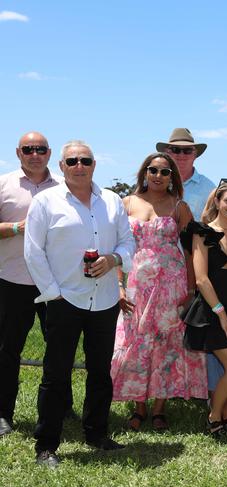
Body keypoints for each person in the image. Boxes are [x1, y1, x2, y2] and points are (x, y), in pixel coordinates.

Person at [24, 140, 135, 468]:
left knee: (101, 372)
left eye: (85, 160)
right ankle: (46, 445)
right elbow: (33, 251)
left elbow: (129, 241)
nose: (79, 166)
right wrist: (53, 292)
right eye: (72, 161)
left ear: (94, 164)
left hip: (104, 300)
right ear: (61, 166)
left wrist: (114, 258)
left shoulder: (112, 201)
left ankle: (97, 433)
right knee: (55, 374)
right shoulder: (46, 201)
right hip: (64, 299)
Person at [110, 152, 207, 431]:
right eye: (153, 170)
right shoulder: (127, 204)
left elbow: (191, 250)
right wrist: (118, 285)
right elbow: (118, 249)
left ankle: (160, 408)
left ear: (172, 177)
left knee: (166, 345)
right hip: (137, 285)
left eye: (165, 172)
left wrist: (190, 287)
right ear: (144, 172)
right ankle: (139, 405)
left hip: (171, 284)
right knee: (136, 343)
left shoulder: (179, 207)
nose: (158, 176)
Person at [182, 180, 227, 438]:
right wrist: (222, 315)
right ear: (217, 202)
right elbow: (201, 279)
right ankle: (214, 416)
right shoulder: (202, 233)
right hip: (212, 310)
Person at [0, 132, 61, 437]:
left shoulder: (64, 187)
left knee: (59, 348)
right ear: (18, 152)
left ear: (49, 153)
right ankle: (3, 413)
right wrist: (16, 228)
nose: (34, 154)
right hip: (11, 280)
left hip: (54, 281)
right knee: (7, 349)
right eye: (28, 149)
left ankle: (61, 406)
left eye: (40, 149)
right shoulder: (3, 184)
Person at [156, 128, 222, 400]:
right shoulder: (157, 185)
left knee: (197, 324)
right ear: (166, 153)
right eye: (175, 150)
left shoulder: (209, 188)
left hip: (201, 264)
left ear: (195, 154)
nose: (181, 155)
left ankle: (197, 386)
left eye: (186, 150)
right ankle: (166, 387)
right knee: (165, 327)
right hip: (163, 269)